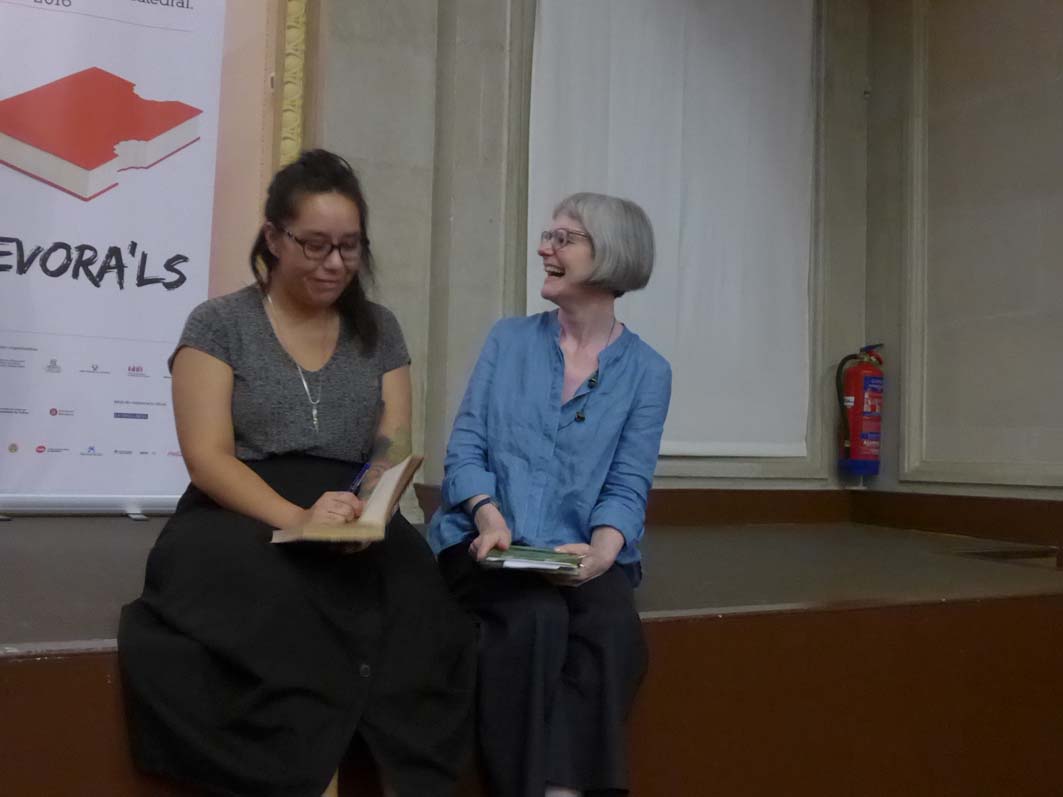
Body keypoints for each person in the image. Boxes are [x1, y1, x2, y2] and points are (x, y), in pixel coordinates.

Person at [119, 149, 475, 797]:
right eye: (315, 245)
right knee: (282, 603)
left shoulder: (380, 329)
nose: (334, 263)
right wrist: (298, 519)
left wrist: (369, 511)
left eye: (349, 246)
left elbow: (392, 443)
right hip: (243, 509)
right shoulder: (219, 324)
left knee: (414, 598)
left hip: (349, 509)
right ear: (274, 237)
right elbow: (208, 456)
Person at [429, 192, 672, 797]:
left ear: (610, 255)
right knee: (532, 619)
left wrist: (604, 551)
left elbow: (628, 481)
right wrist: (488, 516)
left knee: (612, 630)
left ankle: (563, 789)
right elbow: (465, 451)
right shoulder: (508, 340)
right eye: (548, 235)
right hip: (485, 541)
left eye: (564, 239)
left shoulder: (649, 371)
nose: (545, 249)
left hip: (576, 549)